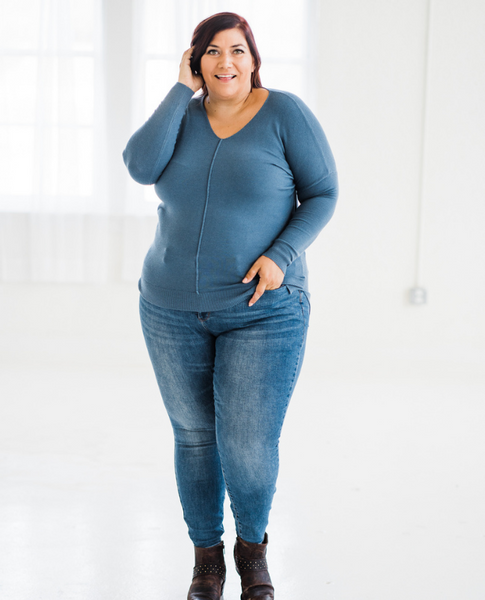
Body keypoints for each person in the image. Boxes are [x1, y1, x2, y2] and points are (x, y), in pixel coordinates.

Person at [123, 11, 338, 600]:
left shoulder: (284, 113)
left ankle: (253, 550)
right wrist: (177, 90)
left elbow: (323, 193)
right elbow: (140, 166)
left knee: (245, 443)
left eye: (237, 51)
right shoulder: (181, 118)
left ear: (254, 57)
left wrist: (282, 254)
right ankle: (206, 559)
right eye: (212, 52)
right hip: (169, 307)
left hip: (263, 306)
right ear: (196, 63)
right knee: (193, 436)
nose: (226, 63)